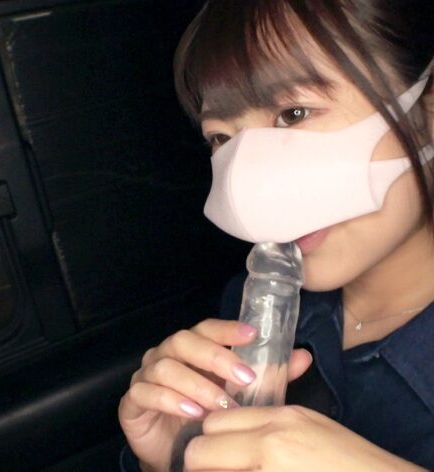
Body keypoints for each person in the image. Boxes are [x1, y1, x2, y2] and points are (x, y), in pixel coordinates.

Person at [119, 0, 434, 470]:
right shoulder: (249, 314)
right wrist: (180, 456)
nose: (255, 183)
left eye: (294, 113)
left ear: (427, 109)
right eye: (222, 139)